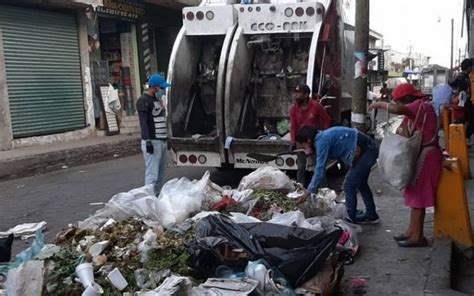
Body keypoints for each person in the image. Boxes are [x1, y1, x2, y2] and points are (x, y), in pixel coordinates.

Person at [369, 83, 443, 248]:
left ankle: (417, 235)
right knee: (413, 193)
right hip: (422, 155)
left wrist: (379, 104)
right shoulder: (418, 109)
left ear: (407, 99)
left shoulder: (419, 106)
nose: (400, 104)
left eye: (400, 101)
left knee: (418, 196)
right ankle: (411, 230)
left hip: (428, 156)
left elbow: (397, 110)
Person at [296, 126, 380, 224]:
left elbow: (319, 170)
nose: (304, 150)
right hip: (365, 149)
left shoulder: (321, 141)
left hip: (367, 149)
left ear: (308, 140)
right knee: (361, 183)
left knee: (349, 185)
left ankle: (350, 219)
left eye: (303, 146)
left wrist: (307, 192)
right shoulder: (320, 138)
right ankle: (371, 215)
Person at [289, 83, 331, 185]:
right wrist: (293, 141)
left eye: (298, 93)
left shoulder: (316, 106)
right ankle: (300, 188)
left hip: (315, 140)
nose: (295, 95)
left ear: (306, 95)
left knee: (319, 166)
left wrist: (325, 136)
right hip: (301, 141)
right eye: (295, 93)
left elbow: (327, 120)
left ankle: (323, 189)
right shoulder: (294, 109)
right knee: (301, 168)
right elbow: (293, 126)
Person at [136, 73, 171, 195]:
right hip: (153, 141)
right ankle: (149, 200)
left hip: (162, 141)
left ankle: (157, 197)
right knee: (152, 175)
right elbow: (143, 123)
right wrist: (148, 141)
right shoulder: (143, 101)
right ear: (154, 87)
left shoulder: (158, 100)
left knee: (161, 175)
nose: (162, 90)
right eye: (161, 88)